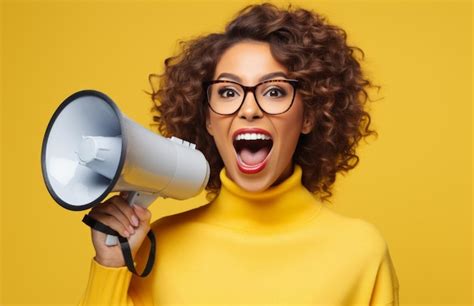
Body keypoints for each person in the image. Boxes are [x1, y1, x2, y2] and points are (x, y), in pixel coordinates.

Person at [78, 3, 399, 305]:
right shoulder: (154, 247)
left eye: (274, 91)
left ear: (310, 115)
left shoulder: (360, 251)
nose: (248, 109)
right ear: (206, 117)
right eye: (228, 92)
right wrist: (111, 266)